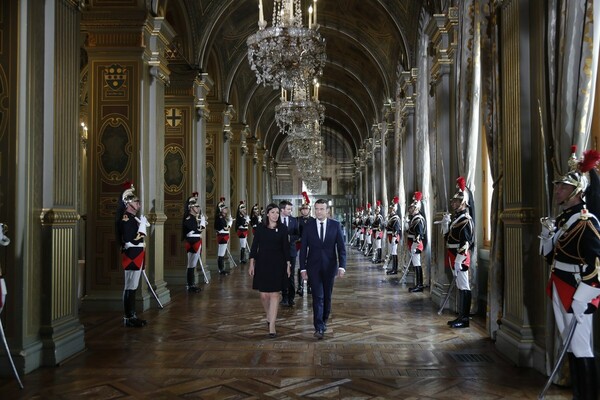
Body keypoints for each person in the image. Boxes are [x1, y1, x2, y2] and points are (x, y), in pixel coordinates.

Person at [539, 145, 600, 400]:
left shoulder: (586, 222)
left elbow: (596, 264)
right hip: (560, 284)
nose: (557, 190)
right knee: (570, 345)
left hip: (577, 291)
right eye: (557, 186)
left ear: (577, 192)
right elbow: (549, 257)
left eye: (563, 187)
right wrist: (546, 235)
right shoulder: (564, 220)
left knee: (581, 347)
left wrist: (582, 298)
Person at [299, 199, 347, 339]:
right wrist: (302, 268)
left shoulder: (335, 225)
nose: (318, 211)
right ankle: (318, 327)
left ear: (327, 211)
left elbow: (341, 248)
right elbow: (303, 250)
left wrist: (342, 266)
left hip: (330, 267)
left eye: (321, 209)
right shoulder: (308, 226)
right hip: (313, 267)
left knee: (327, 297)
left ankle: (324, 319)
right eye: (317, 209)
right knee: (317, 297)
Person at [248, 203, 291, 338]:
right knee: (264, 295)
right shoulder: (260, 228)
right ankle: (269, 315)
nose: (275, 215)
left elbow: (286, 248)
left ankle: (272, 325)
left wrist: (288, 265)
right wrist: (251, 264)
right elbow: (255, 247)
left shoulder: (283, 229)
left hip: (278, 264)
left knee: (274, 294)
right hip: (263, 263)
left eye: (277, 212)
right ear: (267, 214)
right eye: (272, 212)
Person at [441, 177, 474, 328]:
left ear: (463, 203)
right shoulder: (457, 219)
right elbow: (449, 237)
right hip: (454, 255)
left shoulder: (465, 220)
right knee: (461, 286)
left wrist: (459, 260)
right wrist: (446, 225)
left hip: (460, 257)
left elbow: (465, 243)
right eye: (453, 201)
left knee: (464, 287)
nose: (453, 203)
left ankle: (465, 318)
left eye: (455, 201)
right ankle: (461, 316)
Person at [116, 181, 149, 327]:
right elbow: (129, 238)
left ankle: (132, 315)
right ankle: (129, 316)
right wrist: (141, 228)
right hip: (132, 254)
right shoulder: (126, 218)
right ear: (128, 203)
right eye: (136, 202)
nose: (139, 205)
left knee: (133, 285)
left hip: (137, 253)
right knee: (130, 285)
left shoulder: (133, 218)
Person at [182, 192, 206, 293]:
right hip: (192, 242)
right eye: (196, 206)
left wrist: (201, 223)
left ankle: (191, 283)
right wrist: (201, 225)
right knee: (191, 264)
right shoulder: (189, 218)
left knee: (192, 264)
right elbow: (194, 230)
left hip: (195, 241)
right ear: (191, 208)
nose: (198, 208)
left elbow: (197, 229)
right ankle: (190, 284)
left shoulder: (194, 218)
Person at [279, 199, 299, 306]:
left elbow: (297, 234)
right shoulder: (276, 220)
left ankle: (291, 298)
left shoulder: (294, 220)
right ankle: (284, 297)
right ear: (282, 210)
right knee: (282, 275)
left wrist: (289, 238)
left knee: (291, 274)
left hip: (291, 251)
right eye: (288, 209)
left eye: (291, 209)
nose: (290, 211)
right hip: (279, 252)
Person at [407, 191, 427, 292]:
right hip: (413, 244)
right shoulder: (414, 218)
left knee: (417, 265)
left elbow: (418, 234)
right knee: (416, 264)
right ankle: (418, 284)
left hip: (416, 244)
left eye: (412, 208)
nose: (410, 210)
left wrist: (415, 244)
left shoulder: (418, 219)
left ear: (417, 208)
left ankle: (419, 285)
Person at [296, 191, 314, 297]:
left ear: (309, 210)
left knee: (311, 265)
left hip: (311, 246)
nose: (304, 210)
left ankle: (310, 286)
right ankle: (300, 286)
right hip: (300, 245)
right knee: (300, 266)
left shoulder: (313, 220)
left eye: (306, 209)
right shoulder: (297, 220)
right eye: (303, 209)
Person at [214, 196, 231, 275]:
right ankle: (221, 269)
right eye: (224, 208)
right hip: (222, 236)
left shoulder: (222, 217)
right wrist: (229, 224)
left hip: (224, 236)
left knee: (222, 253)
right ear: (221, 209)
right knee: (221, 253)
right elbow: (224, 228)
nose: (226, 209)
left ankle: (222, 269)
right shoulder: (220, 217)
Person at [385, 197, 401, 275]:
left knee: (394, 253)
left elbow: (397, 229)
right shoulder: (391, 218)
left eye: (391, 209)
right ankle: (393, 268)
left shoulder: (395, 218)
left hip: (394, 236)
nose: (389, 210)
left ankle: (395, 269)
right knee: (392, 252)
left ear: (394, 210)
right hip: (390, 236)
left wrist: (395, 237)